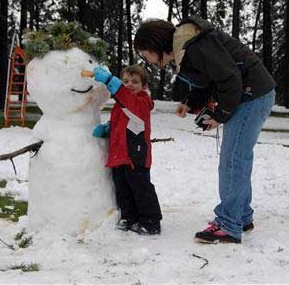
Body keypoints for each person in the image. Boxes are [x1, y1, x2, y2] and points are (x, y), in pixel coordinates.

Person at [134, 17, 276, 244]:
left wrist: (220, 116)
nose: (147, 60)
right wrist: (190, 101)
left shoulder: (194, 46)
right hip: (249, 95)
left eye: (145, 54)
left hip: (252, 95)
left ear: (154, 46)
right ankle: (240, 216)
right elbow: (208, 80)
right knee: (236, 158)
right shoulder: (185, 50)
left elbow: (230, 78)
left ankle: (229, 223)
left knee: (233, 160)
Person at [92, 64, 162, 235]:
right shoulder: (121, 103)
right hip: (119, 154)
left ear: (143, 85)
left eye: (135, 82)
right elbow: (124, 120)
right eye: (125, 81)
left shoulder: (143, 102)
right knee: (122, 188)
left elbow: (133, 109)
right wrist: (109, 128)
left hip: (135, 155)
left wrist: (111, 82)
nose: (129, 84)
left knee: (140, 188)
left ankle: (151, 221)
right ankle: (129, 217)